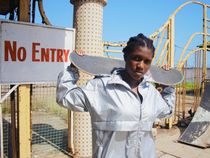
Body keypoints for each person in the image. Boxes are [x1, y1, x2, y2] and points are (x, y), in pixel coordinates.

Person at [56, 33, 175, 158]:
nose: (141, 66)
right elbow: (65, 97)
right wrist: (73, 69)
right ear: (126, 57)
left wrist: (167, 84)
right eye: (136, 58)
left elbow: (167, 110)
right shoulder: (101, 86)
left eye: (147, 61)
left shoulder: (150, 92)